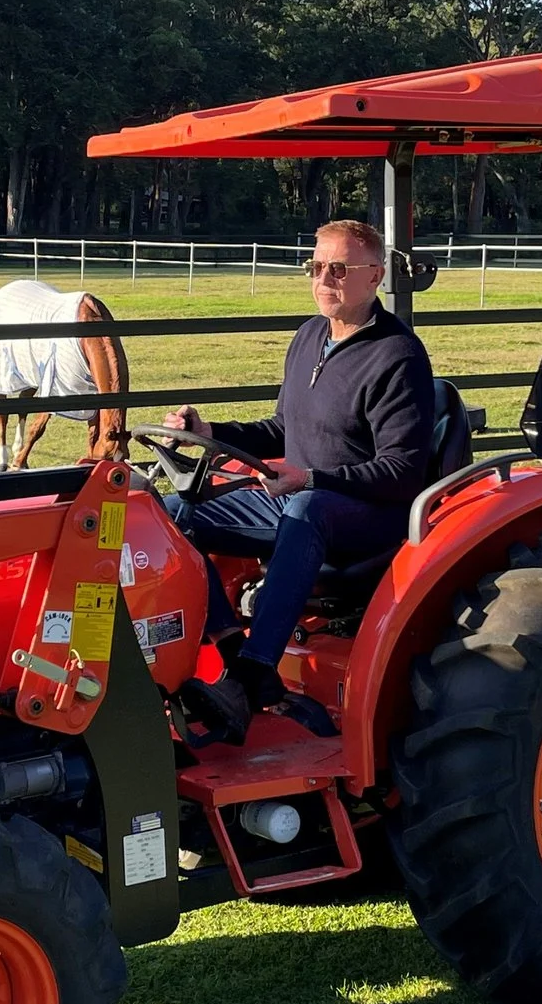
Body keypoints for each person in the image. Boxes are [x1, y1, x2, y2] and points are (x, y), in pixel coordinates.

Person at [165, 218, 434, 741]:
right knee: (173, 512)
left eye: (339, 268)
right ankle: (225, 647)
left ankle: (256, 667)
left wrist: (312, 476)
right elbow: (283, 428)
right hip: (298, 497)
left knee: (306, 507)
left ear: (375, 275)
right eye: (316, 267)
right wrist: (209, 430)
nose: (324, 278)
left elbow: (402, 472)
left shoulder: (397, 356)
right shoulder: (310, 336)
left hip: (366, 511)